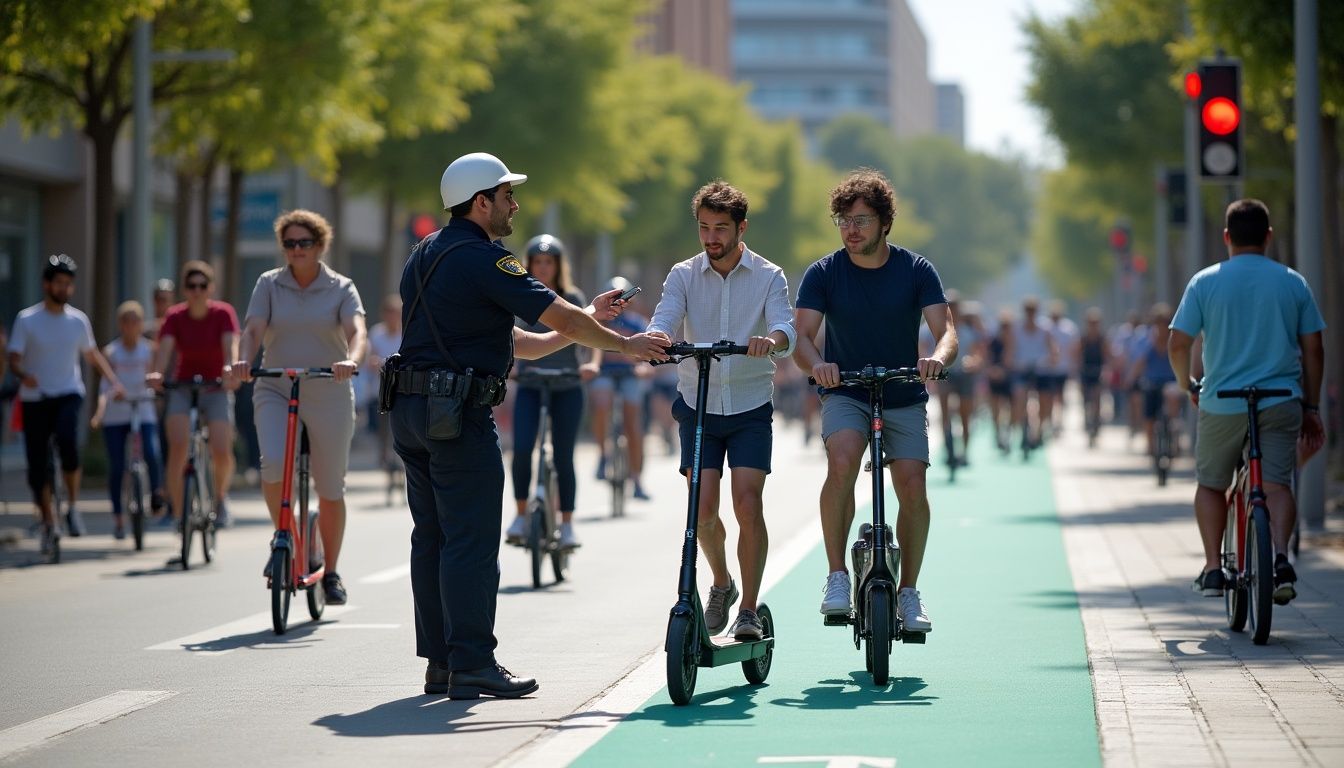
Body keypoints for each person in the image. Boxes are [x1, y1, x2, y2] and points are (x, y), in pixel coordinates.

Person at [389, 152, 668, 699]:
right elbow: (560, 315)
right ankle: (472, 661)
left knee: (433, 537)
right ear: (480, 202)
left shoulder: (424, 255)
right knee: (469, 538)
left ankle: (442, 663)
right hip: (457, 415)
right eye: (506, 195)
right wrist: (626, 344)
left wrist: (594, 323)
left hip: (411, 411)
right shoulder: (486, 259)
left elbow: (528, 342)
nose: (514, 204)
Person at [792, 168, 956, 634]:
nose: (851, 229)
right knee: (841, 461)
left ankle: (908, 591)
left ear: (884, 222)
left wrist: (937, 359)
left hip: (903, 391)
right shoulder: (823, 272)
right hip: (846, 389)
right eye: (843, 220)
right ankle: (837, 577)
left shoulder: (916, 269)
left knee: (912, 488)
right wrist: (817, 365)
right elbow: (802, 337)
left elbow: (946, 332)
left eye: (861, 220)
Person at [646, 181, 796, 641]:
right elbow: (666, 315)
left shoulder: (769, 275)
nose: (711, 238)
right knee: (703, 512)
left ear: (741, 228)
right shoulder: (683, 274)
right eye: (704, 228)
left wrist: (770, 341)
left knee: (748, 505)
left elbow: (783, 326)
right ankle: (722, 584)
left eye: (721, 229)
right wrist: (658, 339)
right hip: (698, 405)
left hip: (750, 405)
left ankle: (748, 608)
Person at [1168, 198, 1325, 603]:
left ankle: (1213, 568)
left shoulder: (1204, 282)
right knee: (1275, 482)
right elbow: (1314, 350)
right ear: (1269, 237)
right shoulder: (1293, 282)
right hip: (1281, 399)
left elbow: (1178, 342)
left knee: (1210, 484)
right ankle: (1280, 556)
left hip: (1222, 401)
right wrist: (1310, 405)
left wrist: (1188, 383)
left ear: (1226, 238)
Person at [231, 209, 366, 606]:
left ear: (320, 245)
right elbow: (253, 328)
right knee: (273, 463)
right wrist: (243, 359)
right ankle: (284, 536)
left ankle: (332, 572)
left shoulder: (341, 287)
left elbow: (356, 331)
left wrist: (351, 360)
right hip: (276, 384)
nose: (295, 250)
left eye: (303, 243)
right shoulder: (269, 284)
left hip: (329, 386)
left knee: (329, 486)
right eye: (288, 244)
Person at [7, 255, 123, 550]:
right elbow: (14, 358)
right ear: (47, 284)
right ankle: (48, 520)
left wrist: (113, 381)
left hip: (69, 393)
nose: (64, 288)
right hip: (35, 398)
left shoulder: (78, 320)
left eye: (68, 284)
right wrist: (23, 375)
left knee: (69, 445)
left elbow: (92, 354)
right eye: (59, 283)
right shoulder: (27, 319)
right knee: (37, 468)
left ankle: (72, 506)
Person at [504, 235, 597, 550]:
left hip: (567, 385)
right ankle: (519, 515)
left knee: (563, 455)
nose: (543, 268)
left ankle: (568, 524)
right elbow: (507, 334)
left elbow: (591, 335)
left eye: (549, 262)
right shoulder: (519, 295)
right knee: (521, 449)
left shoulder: (571, 296)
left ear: (558, 266)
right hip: (530, 384)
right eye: (537, 262)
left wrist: (593, 364)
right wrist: (509, 366)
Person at [148, 260, 240, 530]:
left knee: (221, 449)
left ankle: (220, 497)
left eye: (202, 285)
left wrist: (230, 368)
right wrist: (157, 374)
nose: (197, 291)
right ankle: (178, 512)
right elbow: (164, 350)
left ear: (210, 288)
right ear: (185, 290)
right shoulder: (175, 316)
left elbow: (230, 345)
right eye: (191, 286)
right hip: (183, 385)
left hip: (216, 386)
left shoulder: (223, 313)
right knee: (177, 445)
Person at [91, 301, 165, 539]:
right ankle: (119, 518)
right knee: (116, 466)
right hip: (117, 412)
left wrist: (157, 394)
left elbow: (156, 380)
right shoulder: (111, 352)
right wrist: (100, 412)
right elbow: (104, 386)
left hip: (143, 409)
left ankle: (156, 495)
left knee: (152, 453)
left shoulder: (150, 350)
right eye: (126, 320)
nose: (131, 325)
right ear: (120, 324)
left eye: (136, 321)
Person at [588, 277, 654, 500]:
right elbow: (590, 350)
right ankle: (603, 454)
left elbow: (648, 354)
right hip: (604, 374)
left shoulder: (638, 323)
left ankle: (636, 479)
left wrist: (644, 367)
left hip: (630, 376)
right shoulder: (598, 322)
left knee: (633, 424)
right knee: (601, 402)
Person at [936, 292, 986, 467]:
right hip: (944, 375)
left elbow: (978, 354)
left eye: (954, 307)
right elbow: (924, 349)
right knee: (945, 412)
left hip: (964, 375)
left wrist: (972, 363)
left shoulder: (968, 331)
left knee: (965, 415)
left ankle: (964, 451)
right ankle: (947, 446)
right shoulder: (935, 328)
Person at [1126, 303, 1182, 457]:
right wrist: (1131, 379)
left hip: (1171, 380)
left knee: (1173, 400)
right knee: (1149, 413)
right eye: (1158, 323)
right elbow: (1139, 362)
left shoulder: (1175, 338)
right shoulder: (1146, 339)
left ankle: (1175, 437)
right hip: (1151, 381)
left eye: (1165, 323)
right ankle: (1150, 445)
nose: (1162, 327)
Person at [1010, 296, 1056, 452]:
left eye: (1033, 311)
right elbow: (1010, 350)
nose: (1030, 314)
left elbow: (1052, 350)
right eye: (1028, 311)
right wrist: (1011, 362)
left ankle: (1039, 430)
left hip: (1041, 370)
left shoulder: (1045, 328)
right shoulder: (1016, 328)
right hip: (1022, 369)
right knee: (1020, 397)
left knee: (1044, 401)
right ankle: (1023, 427)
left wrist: (1050, 360)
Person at [365, 295, 403, 478]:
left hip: (402, 388)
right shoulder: (376, 333)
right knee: (383, 431)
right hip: (381, 390)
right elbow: (371, 359)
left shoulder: (405, 333)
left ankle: (401, 460)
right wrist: (376, 363)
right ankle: (385, 458)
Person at [1043, 300, 1078, 437]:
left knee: (1061, 396)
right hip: (1047, 369)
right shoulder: (1045, 327)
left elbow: (1075, 348)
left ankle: (1060, 421)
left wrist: (1073, 366)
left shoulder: (1069, 328)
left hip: (1063, 368)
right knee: (1049, 396)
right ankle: (1050, 420)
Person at [1076, 307, 1108, 445]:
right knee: (1085, 399)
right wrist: (1078, 369)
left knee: (1097, 398)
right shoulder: (1083, 339)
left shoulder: (1102, 339)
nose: (1093, 325)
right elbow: (1078, 355)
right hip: (1085, 371)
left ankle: (1096, 422)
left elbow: (1106, 356)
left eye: (1095, 322)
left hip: (1098, 371)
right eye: (1091, 322)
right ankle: (1087, 420)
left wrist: (1106, 370)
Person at [986, 309, 1015, 453]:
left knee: (1011, 408)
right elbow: (988, 358)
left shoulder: (1015, 341)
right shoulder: (994, 341)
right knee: (996, 408)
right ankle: (997, 433)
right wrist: (993, 370)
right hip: (995, 378)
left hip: (1011, 379)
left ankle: (1008, 435)